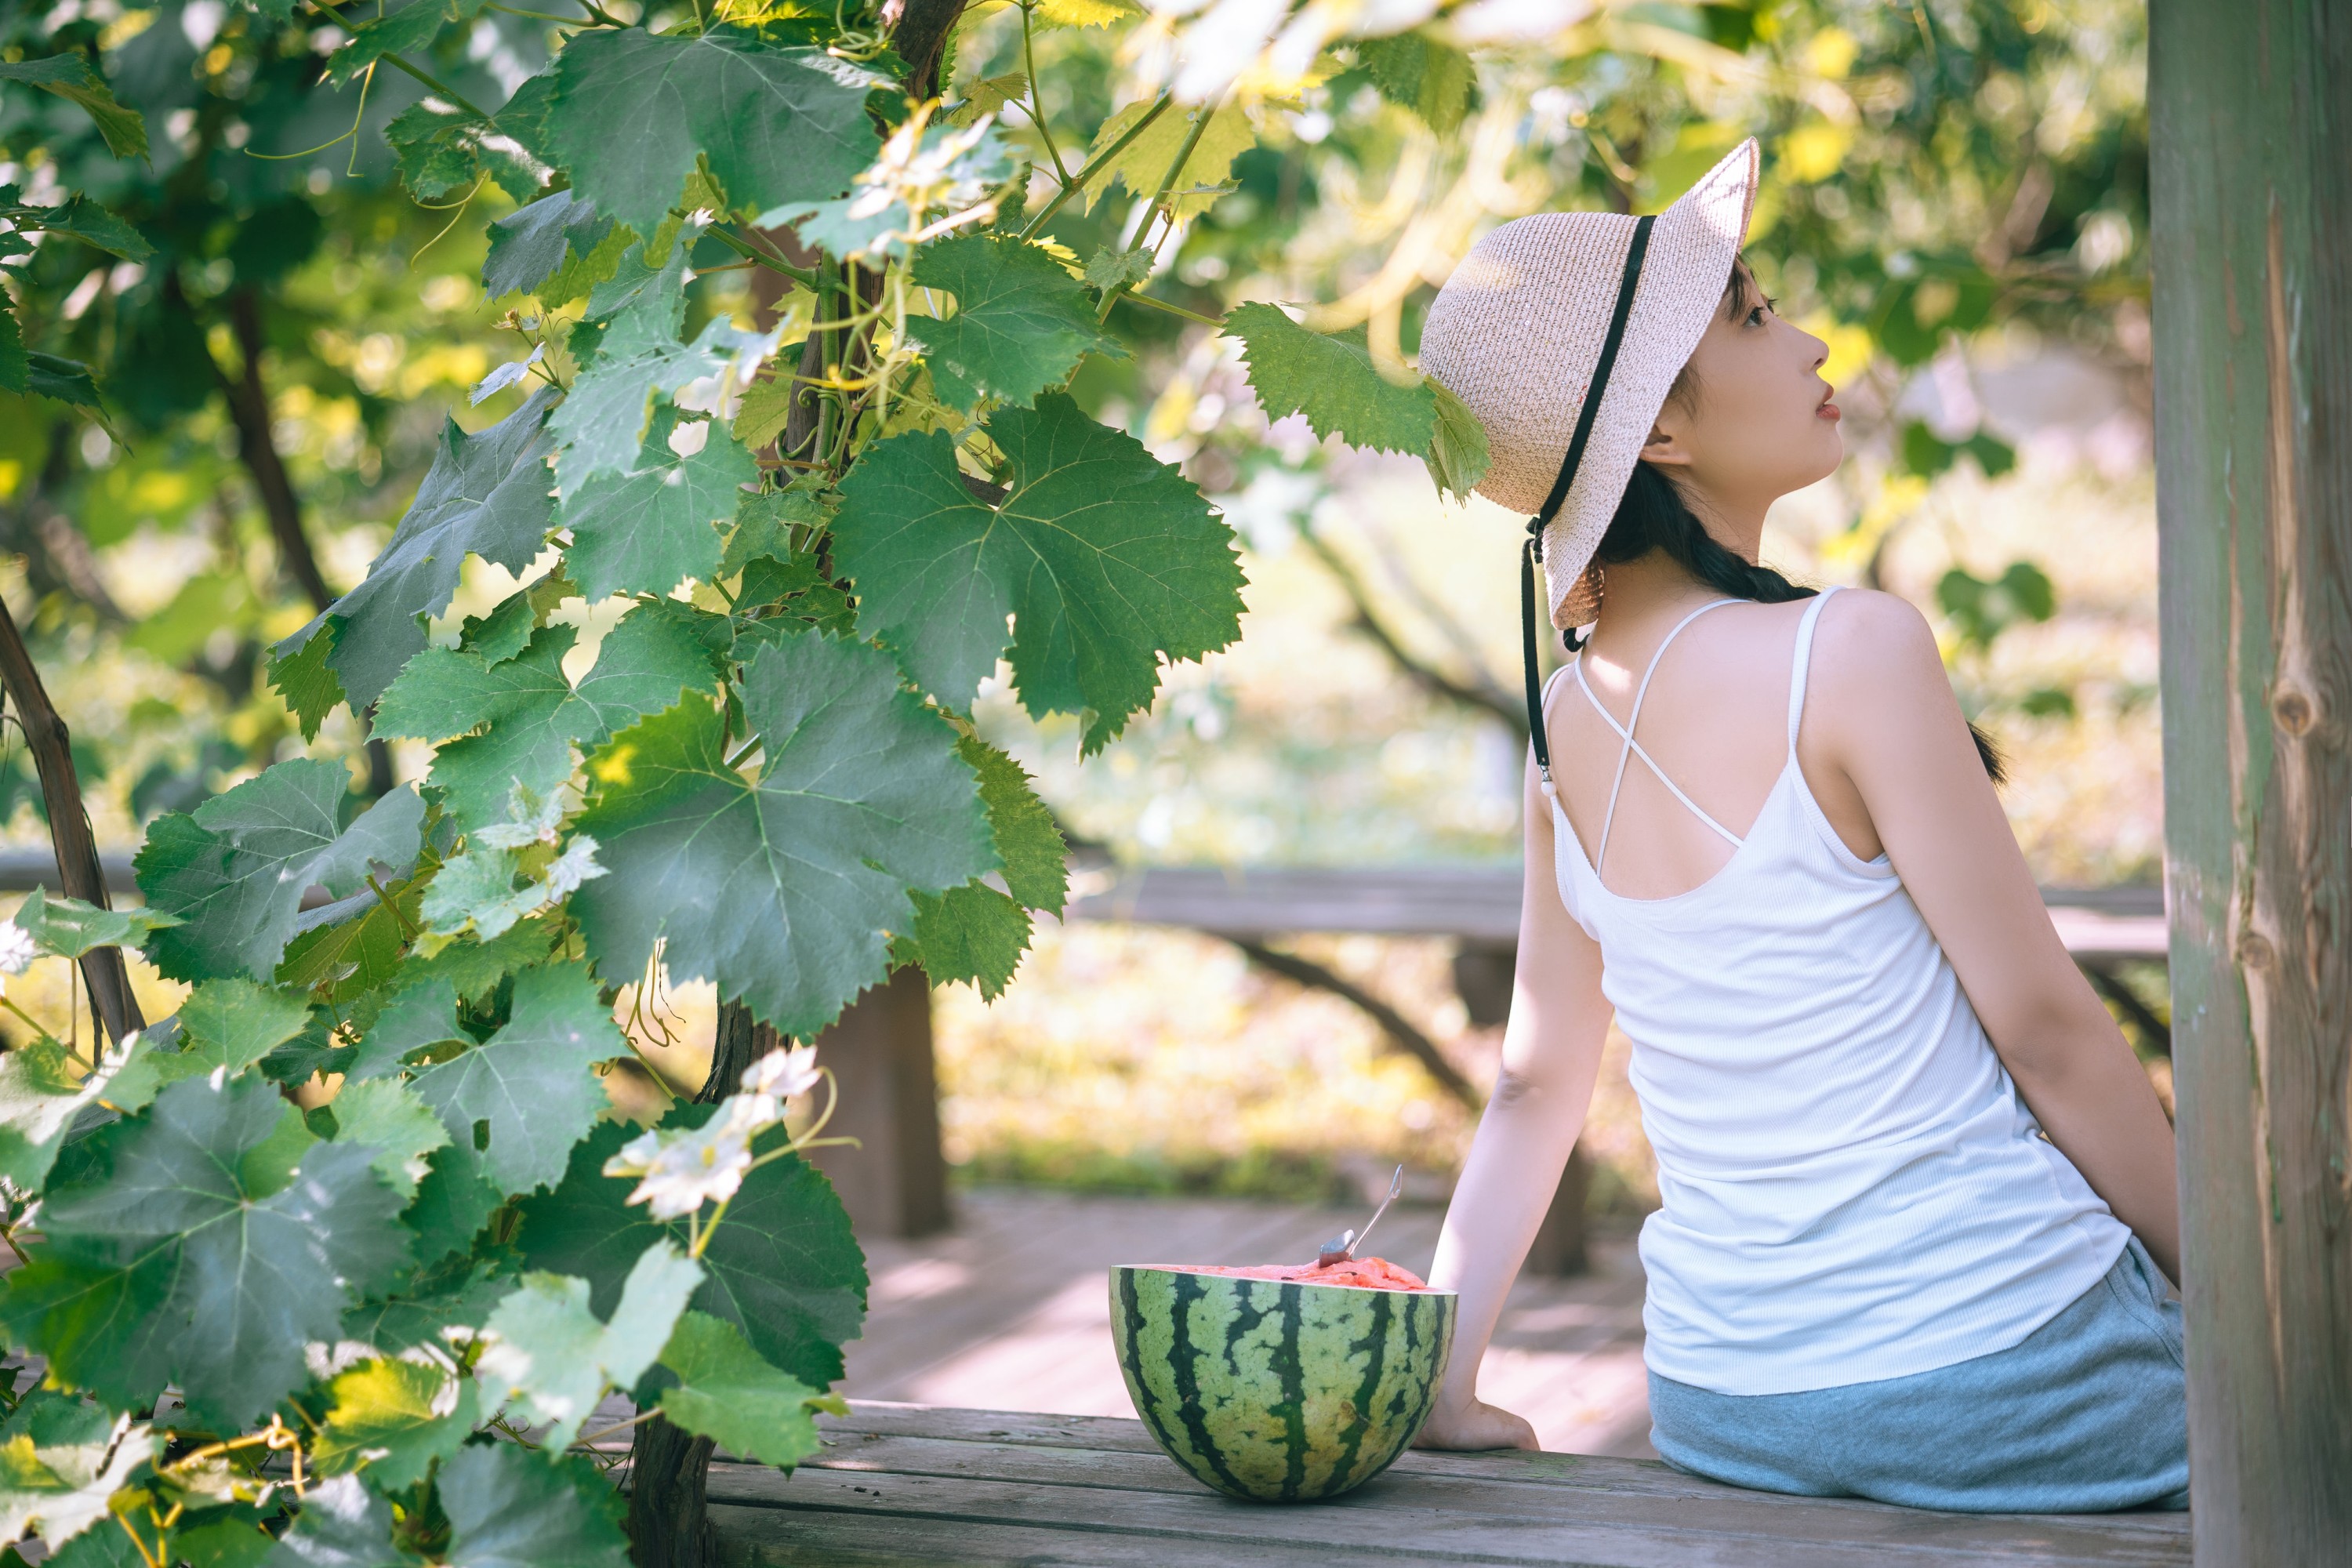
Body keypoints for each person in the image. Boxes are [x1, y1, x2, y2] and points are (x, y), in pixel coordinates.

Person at [1406, 140, 2187, 1513]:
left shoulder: (1564, 734)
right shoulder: (1855, 651)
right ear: (1660, 432)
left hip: (1732, 1401)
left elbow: (1535, 1085)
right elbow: (2049, 1031)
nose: (1810, 339)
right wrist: (2256, 1314)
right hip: (2015, 1364)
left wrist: (1442, 1376)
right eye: (1757, 317)